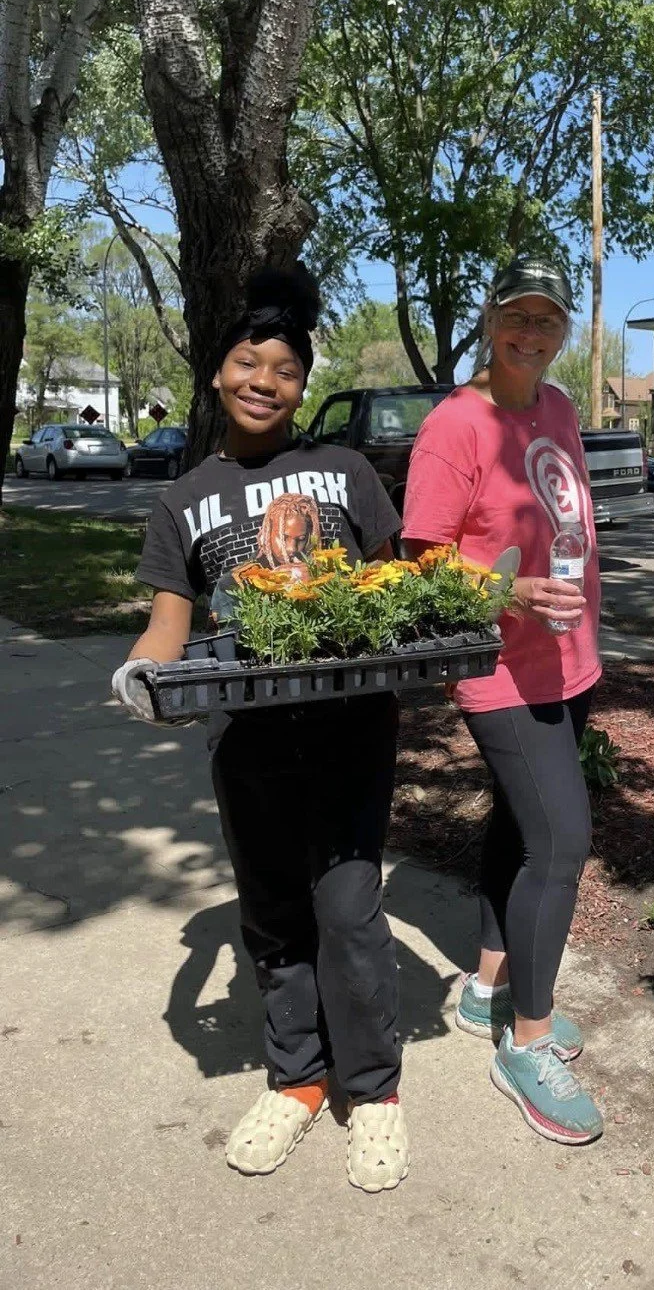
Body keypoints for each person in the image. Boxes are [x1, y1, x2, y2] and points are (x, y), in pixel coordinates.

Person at [111, 268, 409, 1193]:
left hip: (352, 725)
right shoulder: (183, 498)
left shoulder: (346, 471)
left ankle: (375, 1090)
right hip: (246, 739)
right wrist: (140, 673)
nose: (264, 381)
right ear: (218, 372)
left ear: (301, 385)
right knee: (273, 913)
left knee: (348, 911)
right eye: (248, 362)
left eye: (285, 369)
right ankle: (298, 1080)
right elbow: (168, 623)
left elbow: (393, 586)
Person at [400, 255, 604, 1145]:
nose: (531, 333)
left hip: (569, 660)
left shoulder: (558, 408)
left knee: (523, 829)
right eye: (517, 316)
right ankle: (527, 1044)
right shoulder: (455, 425)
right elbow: (420, 560)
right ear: (490, 321)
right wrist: (509, 593)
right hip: (500, 669)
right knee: (562, 842)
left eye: (547, 319)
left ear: (565, 330)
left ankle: (487, 989)